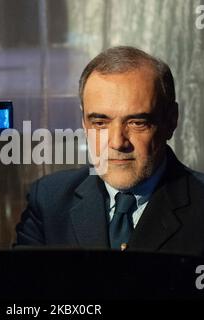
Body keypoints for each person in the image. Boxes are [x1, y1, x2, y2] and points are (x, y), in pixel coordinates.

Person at [14, 46, 204, 256]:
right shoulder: (49, 201)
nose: (117, 142)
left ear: (171, 120)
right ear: (84, 123)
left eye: (137, 122)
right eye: (100, 122)